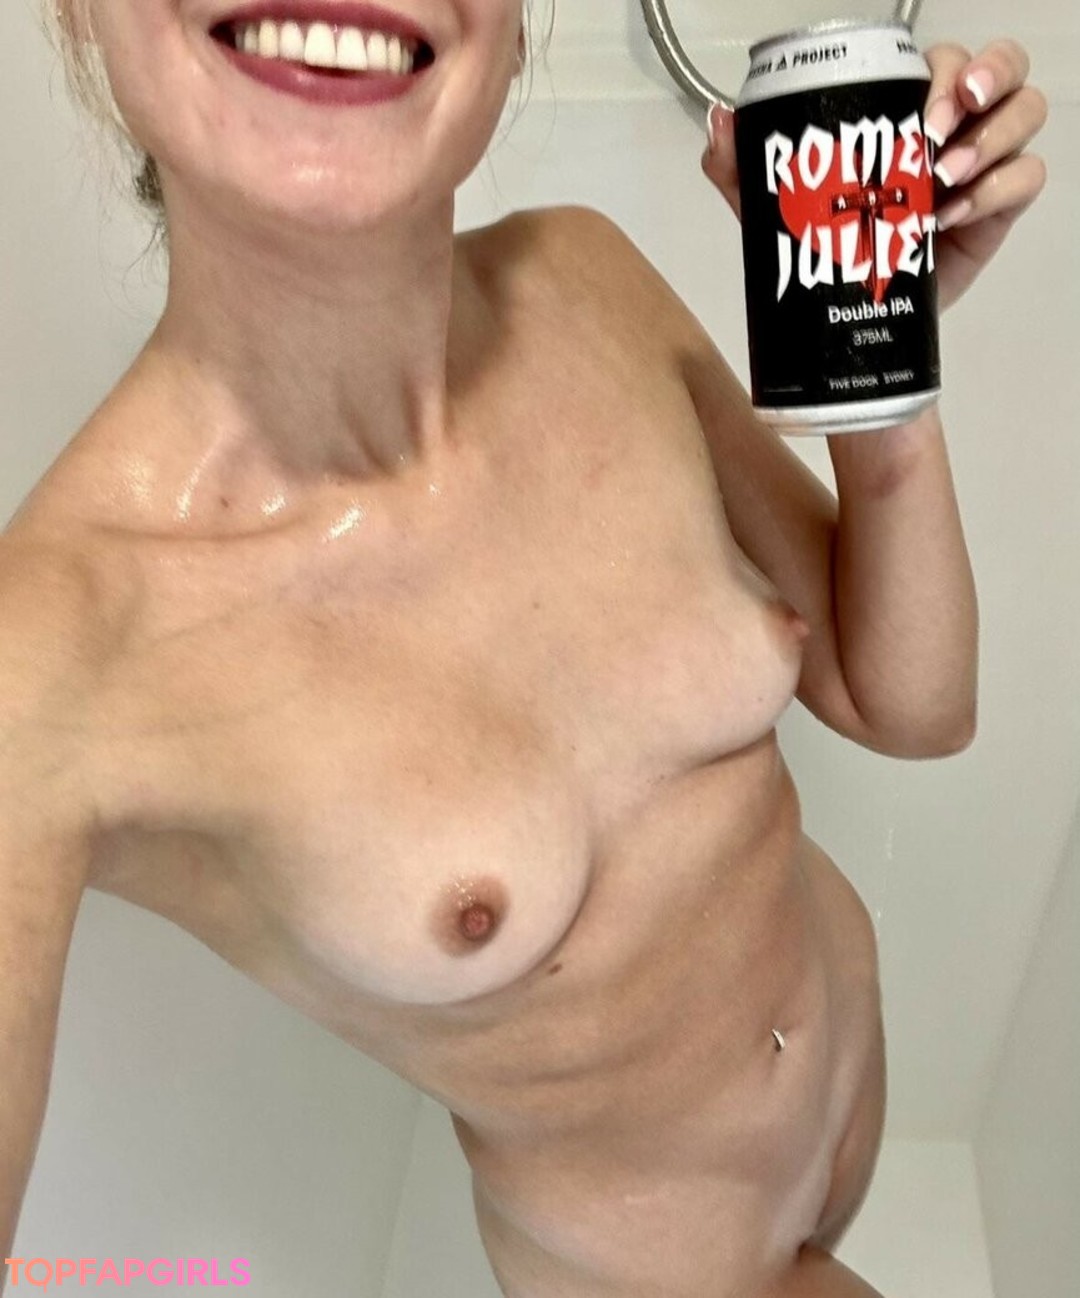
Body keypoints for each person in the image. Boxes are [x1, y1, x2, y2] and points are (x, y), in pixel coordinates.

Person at [0, 2, 1048, 1294]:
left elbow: (911, 705)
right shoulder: (50, 668)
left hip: (844, 1075)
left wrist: (883, 364)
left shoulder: (584, 276)